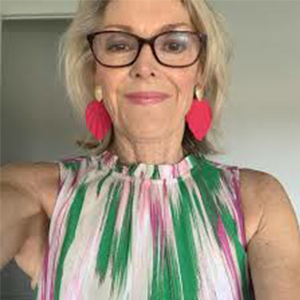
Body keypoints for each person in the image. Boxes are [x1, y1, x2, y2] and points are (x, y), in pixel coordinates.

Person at [1, 0, 300, 299]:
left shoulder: (258, 200)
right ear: (95, 71)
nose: (145, 67)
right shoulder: (36, 193)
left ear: (201, 71)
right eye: (119, 45)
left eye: (173, 44)